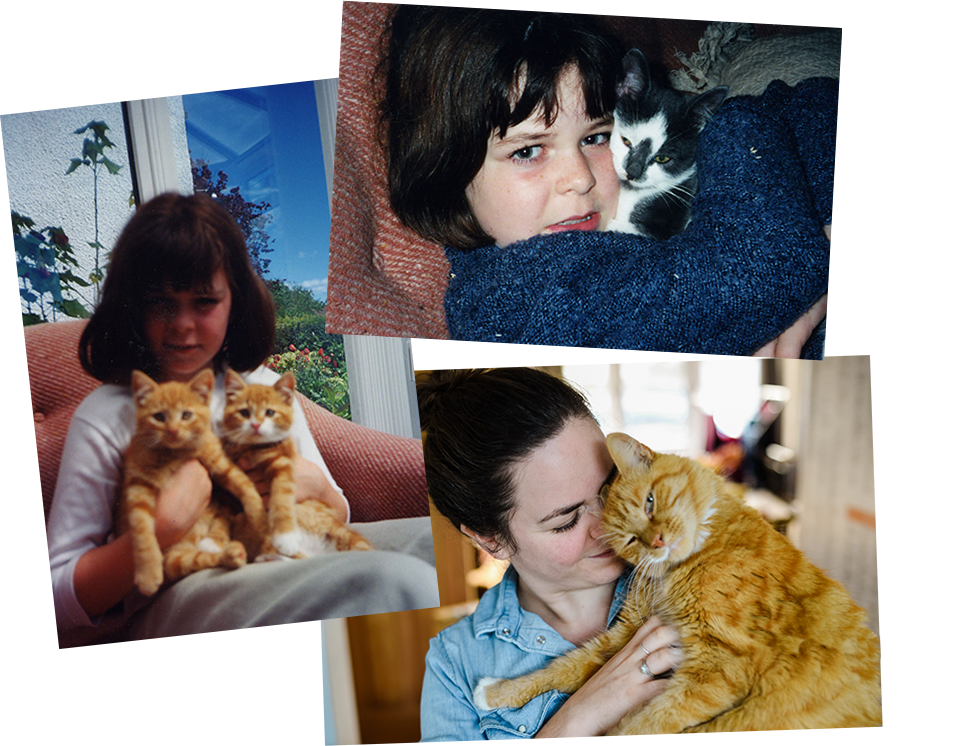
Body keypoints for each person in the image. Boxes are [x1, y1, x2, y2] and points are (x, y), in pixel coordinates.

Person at [46, 193, 438, 658]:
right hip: (182, 587)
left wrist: (317, 486)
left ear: (235, 300)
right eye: (161, 303)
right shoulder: (109, 412)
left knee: (444, 542)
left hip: (284, 547)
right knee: (396, 585)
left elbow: (335, 513)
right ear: (130, 305)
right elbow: (56, 594)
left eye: (204, 302)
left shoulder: (259, 386)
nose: (183, 326)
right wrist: (163, 527)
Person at [381, 6, 835, 358]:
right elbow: (760, 271)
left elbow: (818, 106)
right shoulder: (511, 308)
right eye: (526, 150)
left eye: (596, 136)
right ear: (446, 171)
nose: (579, 178)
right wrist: (731, 124)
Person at [417, 367, 684, 741]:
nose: (611, 525)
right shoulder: (456, 664)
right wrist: (575, 720)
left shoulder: (698, 573)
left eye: (612, 489)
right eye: (567, 520)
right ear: (489, 538)